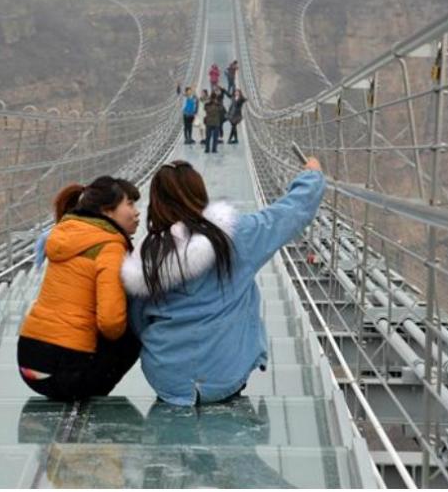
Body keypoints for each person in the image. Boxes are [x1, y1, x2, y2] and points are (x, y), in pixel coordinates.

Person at [121, 157, 326, 406]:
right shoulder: (235, 236)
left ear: (156, 200)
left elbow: (138, 321)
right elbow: (290, 213)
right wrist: (312, 177)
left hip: (166, 377)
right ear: (199, 193)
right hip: (227, 371)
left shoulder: (146, 256)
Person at [17, 177, 141, 401]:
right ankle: (91, 396)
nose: (137, 212)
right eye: (130, 204)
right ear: (108, 212)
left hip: (29, 365)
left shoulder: (63, 234)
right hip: (63, 372)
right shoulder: (110, 246)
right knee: (133, 328)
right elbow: (111, 323)